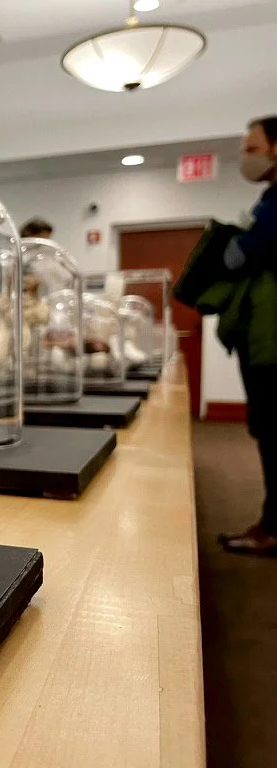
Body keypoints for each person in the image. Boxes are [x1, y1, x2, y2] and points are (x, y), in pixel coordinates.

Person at [215, 115, 277, 555]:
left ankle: (272, 530)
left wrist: (230, 245)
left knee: (273, 434)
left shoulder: (274, 207)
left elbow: (239, 258)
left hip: (270, 344)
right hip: (265, 339)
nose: (245, 159)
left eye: (252, 149)